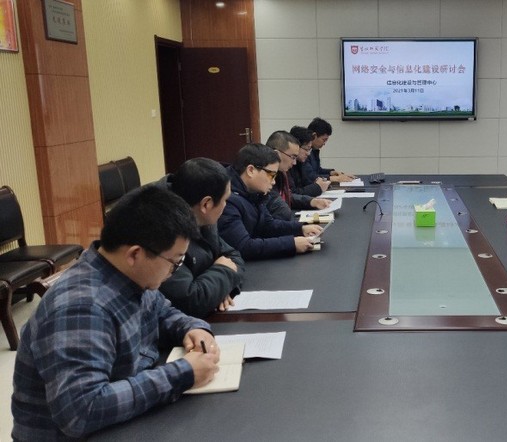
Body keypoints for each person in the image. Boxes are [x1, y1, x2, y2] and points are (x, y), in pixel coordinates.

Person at [12, 186, 221, 440]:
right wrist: (182, 375)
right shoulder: (82, 308)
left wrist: (191, 328)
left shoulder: (127, 274)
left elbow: (161, 311)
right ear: (135, 254)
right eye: (174, 263)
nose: (173, 271)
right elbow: (81, 412)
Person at [157, 157, 246, 318]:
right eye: (225, 200)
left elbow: (233, 256)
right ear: (206, 204)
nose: (226, 205)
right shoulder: (163, 229)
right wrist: (223, 276)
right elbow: (189, 300)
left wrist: (222, 289)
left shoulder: (201, 215)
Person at [218, 143, 323, 260]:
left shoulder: (253, 192)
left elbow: (268, 225)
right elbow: (243, 247)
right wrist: (291, 244)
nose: (273, 182)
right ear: (251, 170)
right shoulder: (226, 200)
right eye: (271, 175)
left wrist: (300, 229)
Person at [266, 130, 331, 213]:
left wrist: (312, 201)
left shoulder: (281, 172)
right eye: (292, 157)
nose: (294, 162)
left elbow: (288, 196)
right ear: (277, 154)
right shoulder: (264, 176)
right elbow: (277, 209)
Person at [304, 117, 357, 183]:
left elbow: (317, 170)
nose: (324, 144)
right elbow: (310, 176)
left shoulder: (314, 150)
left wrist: (331, 172)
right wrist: (334, 178)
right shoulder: (304, 152)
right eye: (324, 140)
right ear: (314, 136)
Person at [289, 125, 330, 197]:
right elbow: (292, 194)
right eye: (306, 149)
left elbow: (307, 182)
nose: (308, 154)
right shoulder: (286, 166)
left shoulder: (300, 162)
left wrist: (318, 182)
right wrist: (317, 187)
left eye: (309, 149)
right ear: (296, 146)